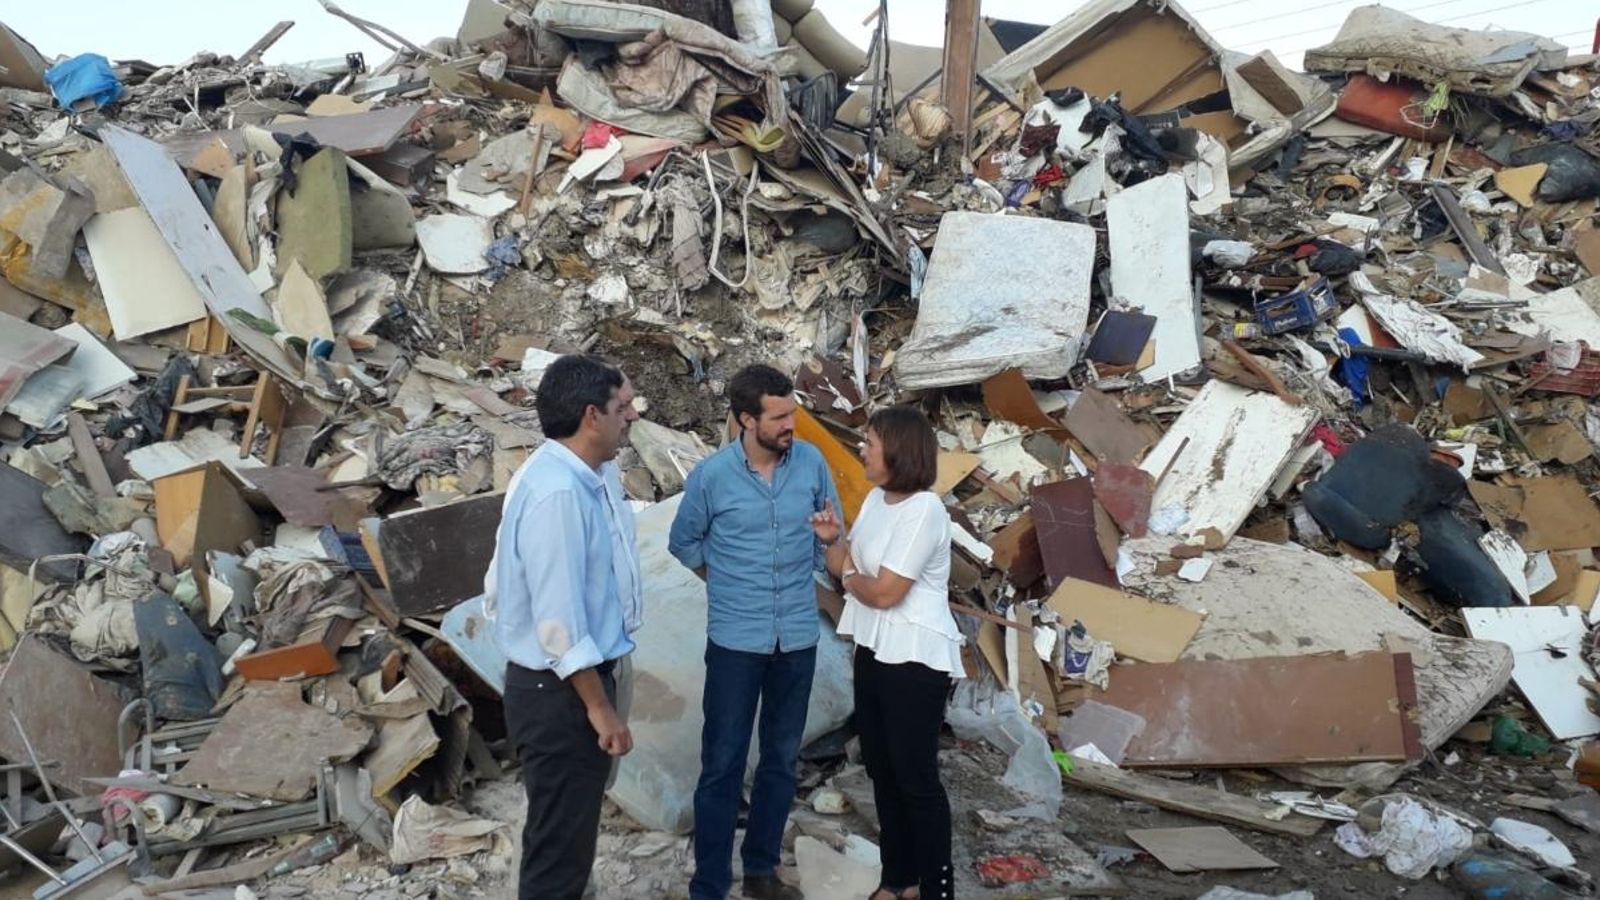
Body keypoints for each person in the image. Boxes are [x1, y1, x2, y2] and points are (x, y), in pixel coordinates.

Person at [669, 364, 841, 900]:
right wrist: (726, 582)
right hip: (735, 643)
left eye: (793, 413)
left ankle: (761, 872)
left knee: (781, 761)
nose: (791, 425)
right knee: (722, 763)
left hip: (797, 640)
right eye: (779, 416)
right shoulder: (711, 477)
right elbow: (683, 542)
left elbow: (833, 539)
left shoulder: (811, 463)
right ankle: (710, 883)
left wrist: (830, 543)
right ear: (746, 419)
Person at [487, 354, 642, 900]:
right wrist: (599, 709)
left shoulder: (593, 474)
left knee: (571, 832)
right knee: (558, 848)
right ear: (591, 416)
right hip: (560, 693)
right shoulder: (557, 493)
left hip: (581, 678)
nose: (633, 417)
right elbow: (558, 622)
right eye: (623, 407)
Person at [811, 405, 962, 900]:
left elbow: (884, 592)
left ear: (897, 451)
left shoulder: (925, 510)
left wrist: (849, 571)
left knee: (915, 778)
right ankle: (898, 880)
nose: (861, 449)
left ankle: (937, 888)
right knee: (881, 769)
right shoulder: (877, 500)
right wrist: (835, 545)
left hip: (915, 659)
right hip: (874, 649)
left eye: (870, 442)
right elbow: (846, 569)